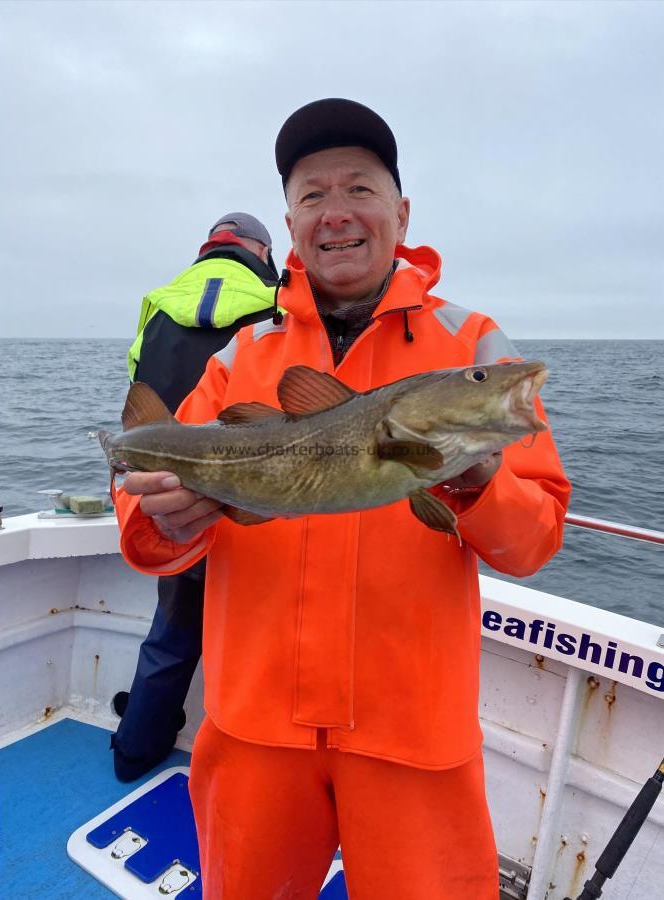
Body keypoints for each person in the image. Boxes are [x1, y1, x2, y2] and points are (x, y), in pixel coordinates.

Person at [114, 99, 571, 898]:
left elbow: (533, 542)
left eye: (358, 188)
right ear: (289, 224)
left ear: (401, 210)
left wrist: (475, 482)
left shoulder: (474, 347)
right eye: (311, 195)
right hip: (252, 727)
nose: (335, 214)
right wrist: (162, 518)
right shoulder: (240, 355)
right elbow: (147, 531)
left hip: (413, 736)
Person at [111, 213, 278, 782]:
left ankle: (135, 750)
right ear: (260, 249)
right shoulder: (272, 300)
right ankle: (239, 773)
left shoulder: (158, 303)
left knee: (172, 631)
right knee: (254, 649)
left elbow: (136, 388)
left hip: (169, 489)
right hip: (249, 492)